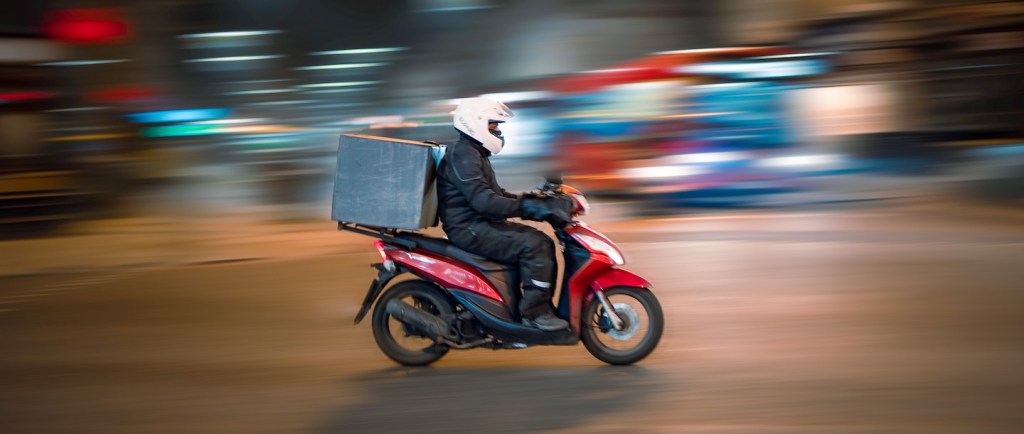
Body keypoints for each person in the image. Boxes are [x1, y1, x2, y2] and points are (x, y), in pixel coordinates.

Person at [435, 97, 573, 331]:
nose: (497, 131)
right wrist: (529, 208)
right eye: (493, 125)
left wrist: (534, 201)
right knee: (536, 244)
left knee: (535, 241)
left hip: (476, 224)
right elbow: (484, 202)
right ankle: (534, 313)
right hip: (469, 227)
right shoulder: (464, 154)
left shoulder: (473, 152)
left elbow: (496, 195)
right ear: (475, 123)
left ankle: (519, 306)